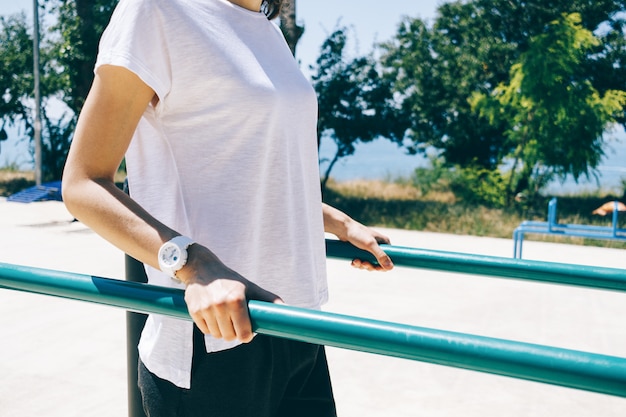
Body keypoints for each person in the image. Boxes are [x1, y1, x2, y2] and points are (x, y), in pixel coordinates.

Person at [62, 0, 394, 416]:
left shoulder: (265, 27)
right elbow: (83, 184)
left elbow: (253, 169)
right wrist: (191, 263)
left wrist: (338, 222)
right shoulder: (156, 11)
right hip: (213, 340)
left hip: (298, 323)